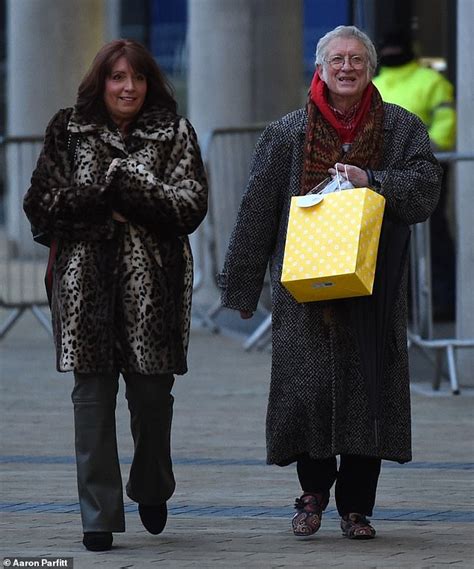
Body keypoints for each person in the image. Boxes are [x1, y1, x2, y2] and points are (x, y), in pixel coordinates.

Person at [219, 25, 441, 540]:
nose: (347, 68)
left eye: (357, 60)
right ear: (320, 68)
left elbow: (427, 190)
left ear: (370, 69)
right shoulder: (288, 132)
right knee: (308, 393)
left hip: (375, 288)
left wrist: (374, 180)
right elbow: (256, 211)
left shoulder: (402, 129)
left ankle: (357, 508)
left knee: (370, 390)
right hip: (303, 289)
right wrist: (242, 287)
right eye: (336, 59)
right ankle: (312, 494)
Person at [23, 39, 208, 551]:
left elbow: (190, 205)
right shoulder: (68, 129)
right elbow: (41, 204)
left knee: (152, 401)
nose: (128, 88)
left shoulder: (174, 131)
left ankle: (152, 487)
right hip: (84, 289)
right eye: (117, 77)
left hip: (155, 289)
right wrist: (108, 199)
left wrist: (128, 187)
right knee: (91, 403)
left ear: (150, 83)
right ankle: (98, 515)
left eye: (138, 78)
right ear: (100, 82)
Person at [373, 30, 456, 319]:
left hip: (425, 170)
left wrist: (416, 156)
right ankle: (401, 304)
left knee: (433, 236)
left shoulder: (431, 81)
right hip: (385, 175)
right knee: (392, 238)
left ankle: (445, 300)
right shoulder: (374, 84)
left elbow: (445, 129)